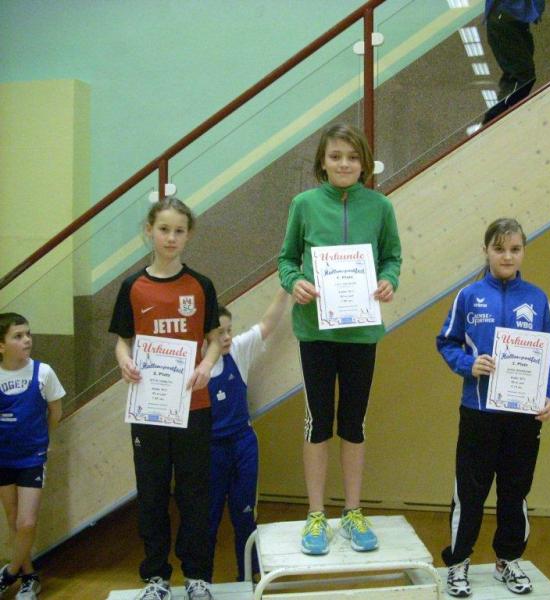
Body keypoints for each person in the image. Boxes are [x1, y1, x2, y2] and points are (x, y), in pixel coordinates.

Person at [277, 123, 402, 556]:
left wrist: (388, 280)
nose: (344, 164)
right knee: (318, 423)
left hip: (361, 333)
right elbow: (286, 260)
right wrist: (294, 282)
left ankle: (352, 511)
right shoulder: (304, 205)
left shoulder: (380, 207)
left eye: (352, 157)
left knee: (353, 423)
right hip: (315, 332)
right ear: (322, 162)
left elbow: (392, 257)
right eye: (335, 156)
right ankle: (316, 514)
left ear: (364, 163)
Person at [436, 218, 550, 597]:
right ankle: (458, 562)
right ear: (486, 251)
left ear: (523, 251)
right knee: (470, 492)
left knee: (515, 491)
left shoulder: (537, 298)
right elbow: (446, 342)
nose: (507, 256)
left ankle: (508, 560)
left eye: (515, 249)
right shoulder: (469, 296)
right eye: (499, 249)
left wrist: (549, 395)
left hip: (524, 416)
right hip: (478, 413)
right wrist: (468, 364)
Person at [110, 197, 222, 600]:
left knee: (194, 493)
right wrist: (125, 362)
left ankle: (197, 576)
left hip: (194, 406)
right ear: (149, 231)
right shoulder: (132, 287)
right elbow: (123, 341)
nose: (171, 238)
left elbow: (214, 340)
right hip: (149, 408)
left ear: (188, 235)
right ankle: (156, 578)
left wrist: (206, 364)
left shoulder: (201, 286)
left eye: (179, 231)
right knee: (152, 493)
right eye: (163, 230)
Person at [207, 291, 289, 582]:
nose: (227, 337)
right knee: (208, 520)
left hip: (242, 445)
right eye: (220, 333)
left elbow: (267, 324)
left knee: (244, 516)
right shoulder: (194, 366)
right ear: (205, 335)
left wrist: (285, 287)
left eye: (229, 330)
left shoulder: (238, 351)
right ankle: (201, 580)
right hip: (210, 452)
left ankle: (248, 578)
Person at [0, 313, 64, 600]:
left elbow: (55, 411)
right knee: (14, 520)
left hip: (32, 458)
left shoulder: (43, 372)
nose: (27, 340)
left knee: (26, 522)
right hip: (3, 458)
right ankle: (29, 578)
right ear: (1, 345)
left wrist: (44, 442)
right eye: (18, 336)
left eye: (28, 334)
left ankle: (9, 573)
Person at [482, 0, 545, 125]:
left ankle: (496, 117)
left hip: (513, 21)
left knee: (519, 75)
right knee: (523, 75)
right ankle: (494, 119)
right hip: (504, 19)